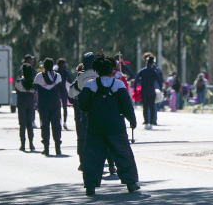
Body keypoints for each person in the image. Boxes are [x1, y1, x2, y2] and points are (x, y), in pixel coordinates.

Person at [78, 52, 140, 196]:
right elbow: (127, 105)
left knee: (92, 157)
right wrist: (132, 120)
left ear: (97, 70)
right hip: (115, 126)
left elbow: (83, 104)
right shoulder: (118, 84)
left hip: (95, 126)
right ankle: (131, 184)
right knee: (123, 154)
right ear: (112, 69)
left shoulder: (90, 84)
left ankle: (90, 186)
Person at [69, 52, 99, 170]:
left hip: (82, 111)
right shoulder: (100, 75)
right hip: (98, 110)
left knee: (82, 137)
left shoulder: (80, 77)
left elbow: (71, 97)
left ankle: (82, 162)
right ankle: (106, 163)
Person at [33, 57, 63, 156]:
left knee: (44, 125)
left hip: (43, 104)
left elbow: (34, 88)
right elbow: (59, 87)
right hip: (55, 104)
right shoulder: (57, 76)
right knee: (56, 125)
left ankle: (46, 148)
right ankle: (58, 148)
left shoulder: (39, 76)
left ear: (44, 66)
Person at [135, 55, 161, 130]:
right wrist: (161, 89)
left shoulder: (142, 71)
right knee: (152, 107)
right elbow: (159, 81)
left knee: (145, 108)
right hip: (152, 92)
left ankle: (146, 122)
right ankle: (151, 122)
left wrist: (135, 89)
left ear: (146, 62)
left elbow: (136, 80)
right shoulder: (154, 72)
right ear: (152, 63)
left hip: (144, 92)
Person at [15, 63, 36, 152]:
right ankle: (31, 143)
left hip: (22, 104)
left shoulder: (19, 82)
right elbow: (35, 91)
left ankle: (22, 144)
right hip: (30, 103)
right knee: (29, 124)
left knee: (22, 124)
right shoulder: (33, 83)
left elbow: (17, 90)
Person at [54, 58, 72, 130]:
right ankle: (64, 122)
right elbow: (70, 80)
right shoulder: (65, 72)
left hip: (57, 90)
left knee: (57, 107)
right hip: (63, 90)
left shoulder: (55, 72)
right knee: (65, 107)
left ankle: (59, 121)